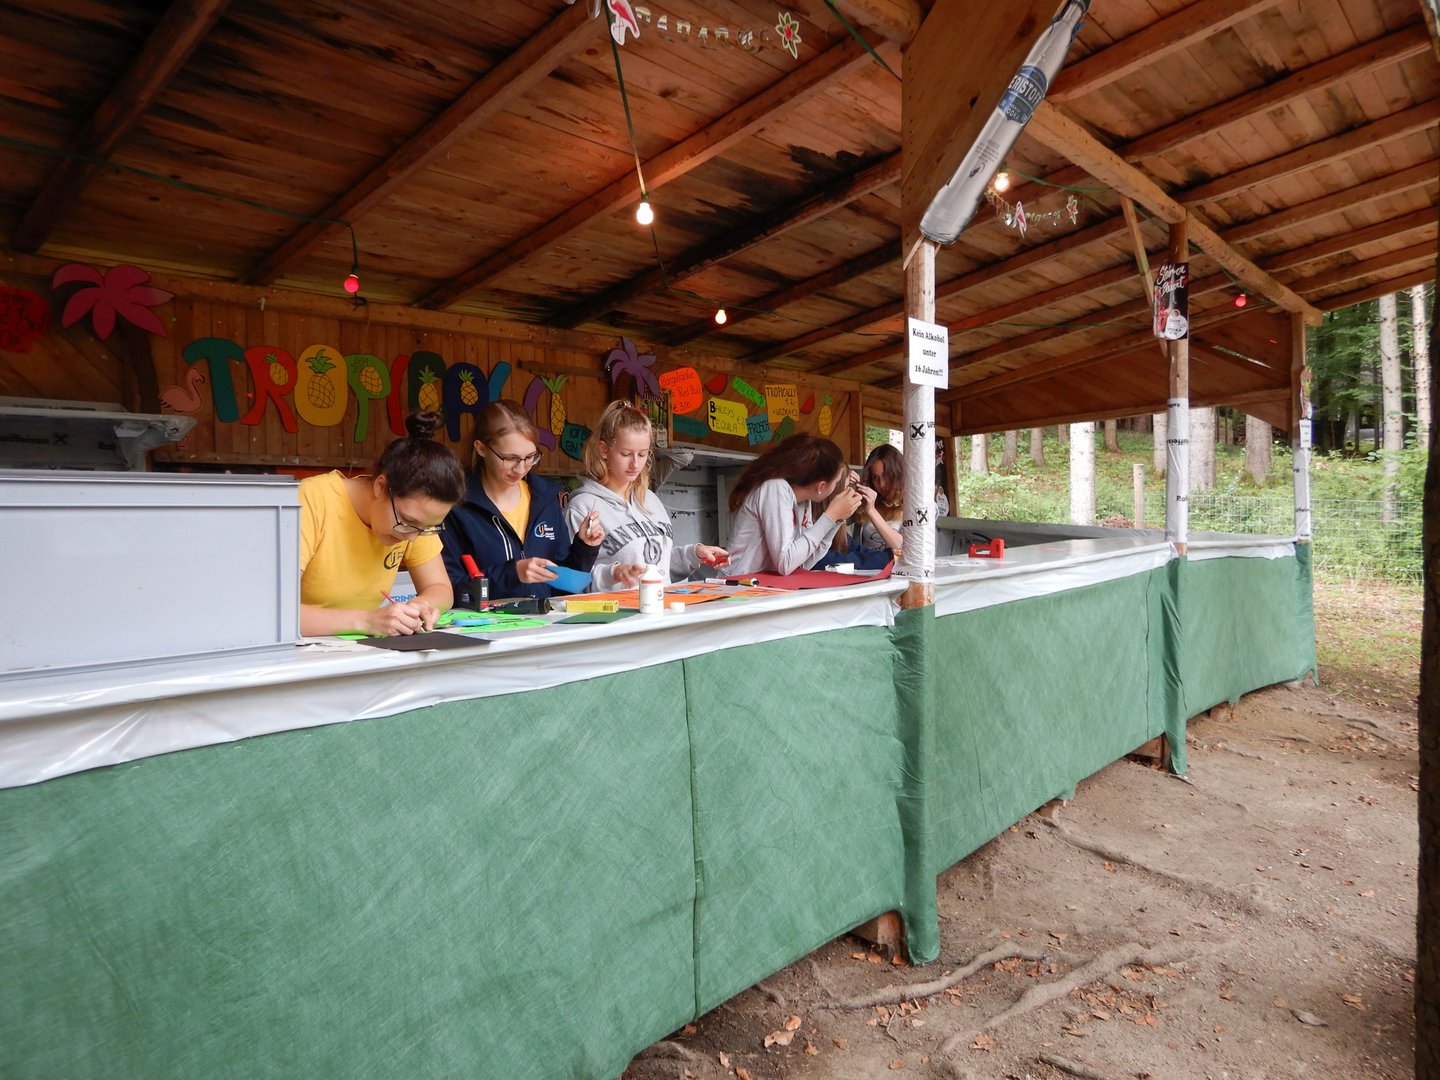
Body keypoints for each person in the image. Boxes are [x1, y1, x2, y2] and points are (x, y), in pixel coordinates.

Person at [298, 410, 465, 637]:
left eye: (426, 528)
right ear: (380, 486)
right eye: (408, 521)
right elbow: (270, 612)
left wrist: (421, 606)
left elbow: (441, 589)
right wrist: (367, 621)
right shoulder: (311, 500)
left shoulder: (415, 520)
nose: (411, 538)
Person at [442, 399, 604, 605]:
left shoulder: (545, 498)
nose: (520, 468)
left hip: (544, 621)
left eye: (530, 457)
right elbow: (452, 590)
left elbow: (561, 583)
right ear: (481, 448)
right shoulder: (456, 506)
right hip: (484, 624)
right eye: (510, 458)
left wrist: (585, 547)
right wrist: (513, 573)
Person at [565, 401, 728, 589]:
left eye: (642, 454)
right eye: (626, 454)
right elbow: (571, 582)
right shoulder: (583, 507)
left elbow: (657, 566)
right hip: (618, 608)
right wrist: (614, 574)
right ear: (603, 450)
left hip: (661, 604)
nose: (635, 464)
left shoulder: (650, 499)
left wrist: (693, 553)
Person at [724, 434, 863, 576]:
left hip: (762, 585)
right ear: (821, 486)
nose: (836, 487)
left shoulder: (804, 500)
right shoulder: (775, 489)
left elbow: (802, 563)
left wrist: (837, 520)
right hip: (736, 583)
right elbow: (785, 563)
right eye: (836, 482)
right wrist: (830, 517)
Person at [851, 443, 905, 567]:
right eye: (875, 477)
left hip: (899, 570)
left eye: (887, 475)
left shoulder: (914, 504)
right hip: (866, 569)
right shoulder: (867, 500)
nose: (882, 484)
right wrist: (841, 483)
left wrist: (871, 510)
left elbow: (901, 547)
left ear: (898, 473)